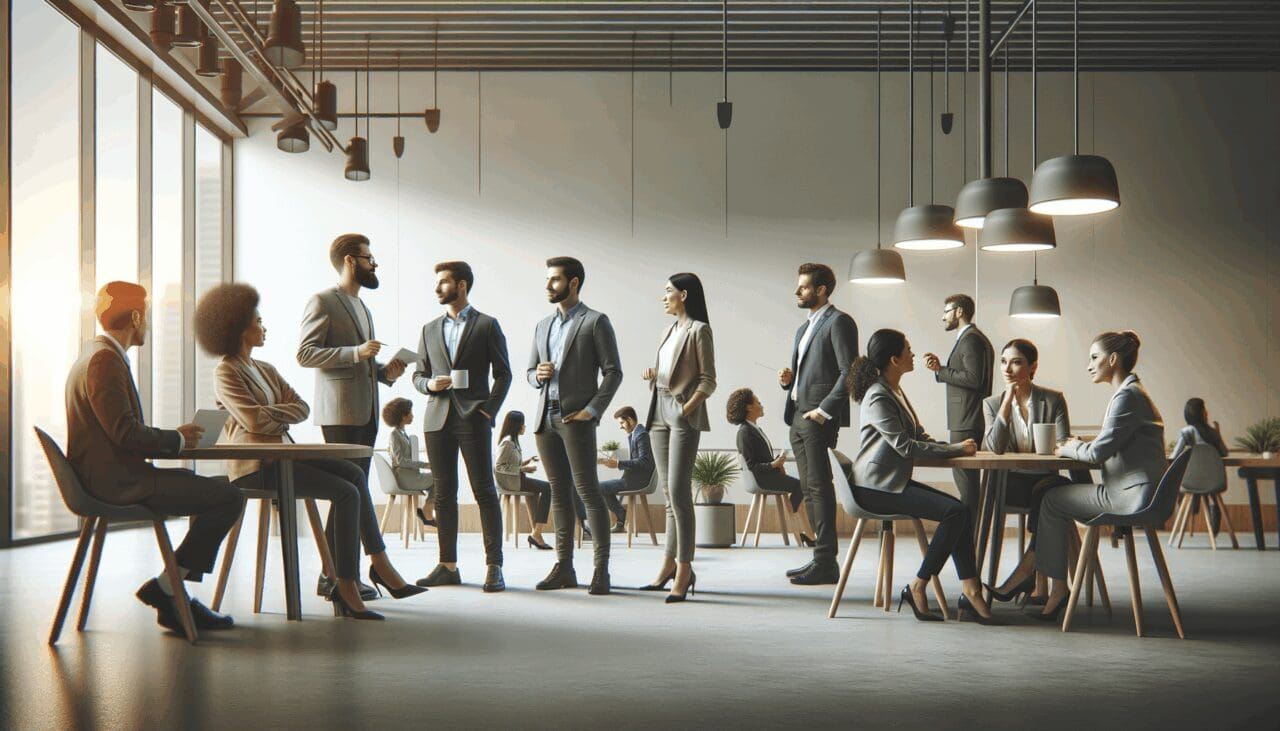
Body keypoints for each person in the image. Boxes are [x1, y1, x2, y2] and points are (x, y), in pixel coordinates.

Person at [199, 284, 424, 620]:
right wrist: (273, 414)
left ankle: (375, 564)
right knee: (347, 492)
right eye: (258, 322)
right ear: (239, 329)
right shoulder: (226, 371)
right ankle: (345, 584)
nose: (264, 327)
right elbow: (253, 421)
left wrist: (268, 414)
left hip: (283, 457)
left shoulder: (266, 369)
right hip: (255, 466)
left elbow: (300, 408)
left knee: (353, 475)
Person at [66, 281, 244, 634]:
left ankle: (172, 593)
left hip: (112, 476)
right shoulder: (105, 361)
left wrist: (174, 437)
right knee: (231, 496)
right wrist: (176, 440)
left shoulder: (94, 355)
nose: (147, 325)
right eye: (146, 317)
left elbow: (119, 429)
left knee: (220, 487)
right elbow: (127, 434)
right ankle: (168, 591)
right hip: (119, 484)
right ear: (135, 316)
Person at [990, 330, 1166, 622]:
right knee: (1052, 496)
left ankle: (1043, 581)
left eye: (1094, 358)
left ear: (1113, 359)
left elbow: (1096, 455)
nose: (1089, 365)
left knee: (1051, 498)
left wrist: (1074, 446)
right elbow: (1107, 445)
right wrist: (1080, 445)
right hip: (1134, 491)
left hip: (1129, 496)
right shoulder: (1132, 393)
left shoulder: (1127, 397)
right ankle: (1051, 585)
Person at [848, 329, 999, 624]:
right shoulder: (878, 395)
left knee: (960, 511)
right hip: (875, 487)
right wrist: (955, 448)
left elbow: (917, 435)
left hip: (890, 482)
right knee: (956, 512)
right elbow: (905, 446)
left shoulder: (894, 390)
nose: (913, 353)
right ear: (894, 359)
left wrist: (950, 449)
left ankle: (970, 589)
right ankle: (919, 585)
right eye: (908, 349)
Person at [297, 232, 407, 600]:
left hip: (367, 409)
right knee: (349, 492)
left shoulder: (364, 307)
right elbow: (306, 354)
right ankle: (341, 575)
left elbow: (361, 360)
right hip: (341, 412)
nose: (374, 264)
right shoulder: (323, 301)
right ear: (349, 261)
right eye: (368, 257)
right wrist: (356, 352)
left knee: (351, 493)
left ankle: (337, 575)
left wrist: (383, 372)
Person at [411, 261, 511, 593]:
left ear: (462, 285)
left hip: (473, 417)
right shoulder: (428, 329)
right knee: (443, 493)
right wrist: (429, 386)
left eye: (443, 283)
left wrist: (488, 411)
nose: (437, 288)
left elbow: (504, 373)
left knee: (484, 490)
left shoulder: (487, 325)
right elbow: (418, 375)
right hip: (437, 419)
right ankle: (447, 565)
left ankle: (494, 566)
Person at [527, 256, 623, 596]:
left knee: (588, 493)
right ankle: (564, 567)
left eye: (554, 279)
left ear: (574, 283)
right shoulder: (542, 325)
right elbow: (529, 371)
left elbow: (614, 372)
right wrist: (536, 375)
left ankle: (601, 571)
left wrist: (592, 410)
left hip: (576, 420)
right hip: (545, 419)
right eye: (548, 279)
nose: (548, 285)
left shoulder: (596, 322)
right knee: (559, 494)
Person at [637, 274, 716, 604]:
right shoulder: (668, 331)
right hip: (657, 410)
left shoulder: (700, 330)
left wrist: (687, 409)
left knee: (680, 493)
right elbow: (673, 372)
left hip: (682, 414)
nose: (664, 297)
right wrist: (654, 376)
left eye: (668, 291)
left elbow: (709, 381)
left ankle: (685, 568)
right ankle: (668, 564)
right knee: (669, 494)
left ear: (684, 294)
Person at [779, 263, 858, 586]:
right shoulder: (804, 328)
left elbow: (849, 371)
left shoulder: (839, 322)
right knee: (809, 489)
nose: (797, 292)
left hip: (816, 418)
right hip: (797, 414)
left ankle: (827, 561)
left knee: (820, 487)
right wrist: (789, 382)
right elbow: (809, 373)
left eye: (804, 287)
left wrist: (825, 411)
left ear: (822, 290)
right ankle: (820, 558)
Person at [981, 339, 1073, 606]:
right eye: (1003, 361)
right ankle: (1046, 584)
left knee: (1050, 491)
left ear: (1032, 366)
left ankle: (1027, 575)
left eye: (1016, 361)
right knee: (1051, 495)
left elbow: (1063, 443)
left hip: (1045, 480)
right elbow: (995, 447)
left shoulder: (1053, 399)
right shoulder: (992, 403)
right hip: (1010, 483)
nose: (1007, 368)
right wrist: (1007, 403)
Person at [923, 294, 994, 521]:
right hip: (965, 418)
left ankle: (968, 537)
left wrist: (941, 372)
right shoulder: (969, 338)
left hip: (966, 420)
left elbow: (973, 379)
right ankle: (969, 536)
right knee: (968, 486)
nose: (943, 317)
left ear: (959, 312)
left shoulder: (971, 339)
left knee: (967, 487)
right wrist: (939, 369)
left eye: (946, 311)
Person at [726, 387, 813, 542]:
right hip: (761, 478)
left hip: (768, 475)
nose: (762, 405)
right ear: (749, 407)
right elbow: (752, 465)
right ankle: (803, 528)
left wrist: (777, 463)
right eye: (758, 402)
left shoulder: (754, 429)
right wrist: (774, 465)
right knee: (801, 486)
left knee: (801, 487)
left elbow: (762, 459)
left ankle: (804, 528)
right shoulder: (745, 432)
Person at [494, 411, 554, 550]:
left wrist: (527, 461)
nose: (524, 427)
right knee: (548, 488)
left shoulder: (513, 441)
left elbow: (512, 464)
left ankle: (536, 534)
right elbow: (499, 466)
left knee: (535, 492)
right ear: (516, 426)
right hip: (512, 483)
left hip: (517, 479)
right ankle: (536, 533)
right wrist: (522, 470)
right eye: (523, 424)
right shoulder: (508, 442)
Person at [592, 406, 655, 534]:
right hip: (632, 478)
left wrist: (618, 463)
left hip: (639, 481)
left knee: (598, 487)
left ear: (630, 420)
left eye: (622, 423)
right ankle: (620, 519)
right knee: (603, 488)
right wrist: (605, 461)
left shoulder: (641, 435)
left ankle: (618, 517)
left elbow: (645, 462)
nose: (620, 426)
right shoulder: (636, 434)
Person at [1172, 397, 1229, 533]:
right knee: (1211, 490)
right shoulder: (1213, 432)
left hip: (1192, 480)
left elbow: (1174, 456)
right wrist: (1218, 434)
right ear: (1202, 413)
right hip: (1213, 481)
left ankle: (1191, 509)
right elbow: (1224, 453)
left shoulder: (1187, 432)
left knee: (1181, 485)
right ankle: (1214, 519)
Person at [381, 398, 435, 527]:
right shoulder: (395, 435)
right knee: (441, 478)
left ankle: (428, 509)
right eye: (410, 413)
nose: (412, 415)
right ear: (403, 416)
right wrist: (425, 465)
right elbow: (401, 461)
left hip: (409, 475)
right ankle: (428, 510)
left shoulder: (402, 434)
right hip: (404, 478)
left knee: (439, 479)